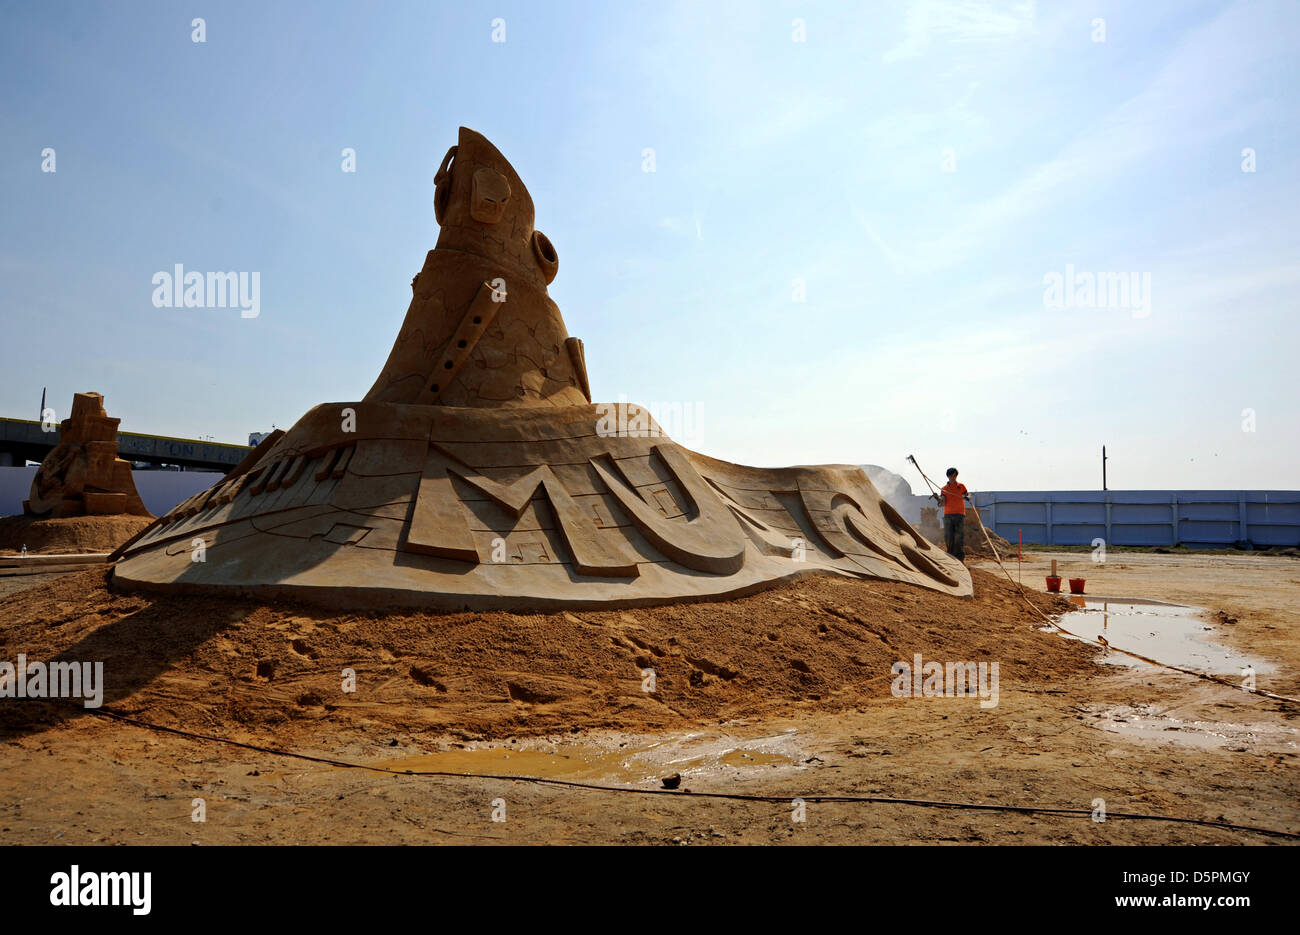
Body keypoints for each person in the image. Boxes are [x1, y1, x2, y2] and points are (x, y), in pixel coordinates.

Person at [933, 467, 970, 561]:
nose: (953, 477)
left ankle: (960, 558)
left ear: (956, 475)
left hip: (959, 514)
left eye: (954, 475)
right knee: (948, 536)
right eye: (951, 476)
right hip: (948, 515)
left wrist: (967, 497)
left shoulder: (961, 486)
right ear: (948, 476)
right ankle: (950, 556)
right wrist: (937, 498)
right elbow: (942, 503)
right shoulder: (944, 489)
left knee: (959, 536)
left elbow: (967, 494)